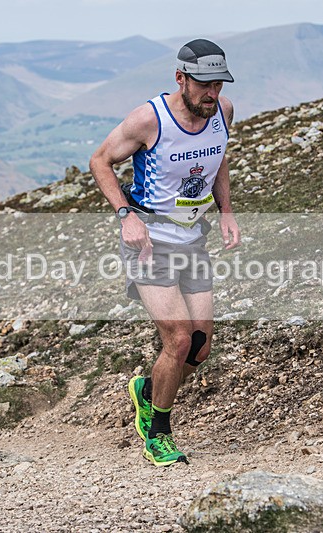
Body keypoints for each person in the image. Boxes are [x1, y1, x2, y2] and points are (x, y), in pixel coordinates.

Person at [89, 38, 240, 466]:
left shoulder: (222, 112)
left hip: (193, 238)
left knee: (200, 346)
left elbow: (218, 157)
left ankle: (148, 389)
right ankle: (157, 431)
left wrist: (227, 210)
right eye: (204, 85)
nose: (212, 93)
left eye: (219, 84)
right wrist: (125, 216)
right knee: (177, 339)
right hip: (149, 242)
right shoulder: (148, 119)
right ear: (181, 78)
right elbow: (100, 160)